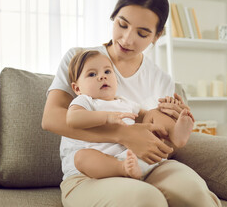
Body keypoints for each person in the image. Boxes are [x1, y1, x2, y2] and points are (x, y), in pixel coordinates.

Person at [42, 0, 221, 207]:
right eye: (122, 24)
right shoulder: (81, 61)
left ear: (157, 36)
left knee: (196, 196)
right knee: (147, 200)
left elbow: (162, 144)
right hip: (90, 172)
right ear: (113, 16)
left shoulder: (160, 79)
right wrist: (121, 134)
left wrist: (175, 126)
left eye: (142, 33)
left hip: (147, 166)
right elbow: (50, 118)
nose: (127, 39)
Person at [62, 49, 194, 180]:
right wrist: (106, 117)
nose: (102, 76)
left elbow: (148, 117)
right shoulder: (86, 101)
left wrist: (165, 109)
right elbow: (72, 119)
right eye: (92, 74)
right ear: (77, 88)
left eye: (107, 71)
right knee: (81, 158)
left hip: (136, 153)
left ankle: (176, 134)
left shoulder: (124, 101)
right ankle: (123, 168)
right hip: (106, 160)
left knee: (153, 113)